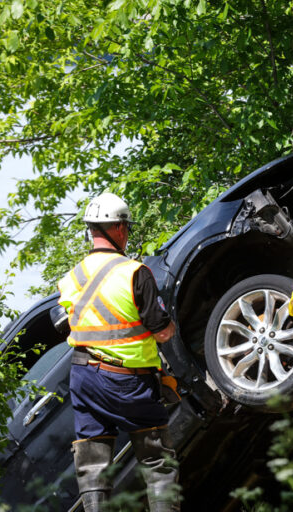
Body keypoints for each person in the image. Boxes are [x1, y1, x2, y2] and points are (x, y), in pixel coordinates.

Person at [56, 192, 179, 512]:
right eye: (126, 226)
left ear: (91, 231)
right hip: (129, 382)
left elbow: (67, 321)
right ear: (119, 229)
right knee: (158, 463)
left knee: (92, 468)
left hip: (84, 377)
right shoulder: (135, 272)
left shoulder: (71, 277)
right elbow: (162, 330)